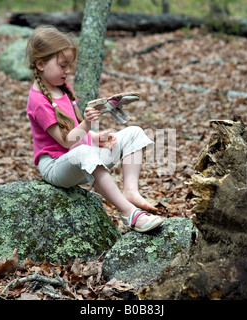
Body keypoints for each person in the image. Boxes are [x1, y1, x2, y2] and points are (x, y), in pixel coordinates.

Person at [25, 25, 163, 233]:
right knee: (84, 152)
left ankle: (131, 191)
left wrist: (95, 137)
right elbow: (66, 141)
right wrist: (87, 124)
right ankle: (129, 213)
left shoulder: (63, 89)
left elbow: (73, 130)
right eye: (63, 66)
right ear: (41, 64)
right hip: (55, 166)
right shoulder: (39, 101)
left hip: (78, 157)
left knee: (134, 133)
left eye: (69, 65)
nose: (68, 71)